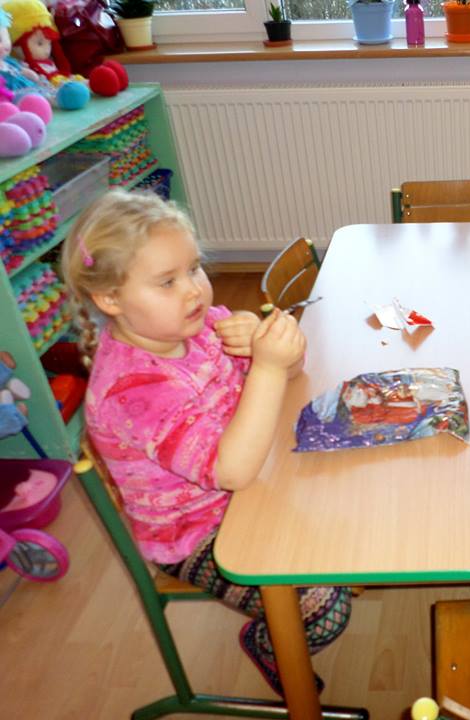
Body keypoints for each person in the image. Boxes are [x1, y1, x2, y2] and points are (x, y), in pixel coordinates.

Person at [62, 190, 350, 698]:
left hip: (254, 481)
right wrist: (266, 368)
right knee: (323, 610)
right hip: (194, 531)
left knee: (355, 508)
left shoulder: (204, 325)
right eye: (167, 281)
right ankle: (270, 646)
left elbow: (290, 378)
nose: (194, 290)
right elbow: (229, 471)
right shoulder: (131, 389)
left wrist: (276, 351)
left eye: (194, 268)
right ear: (110, 300)